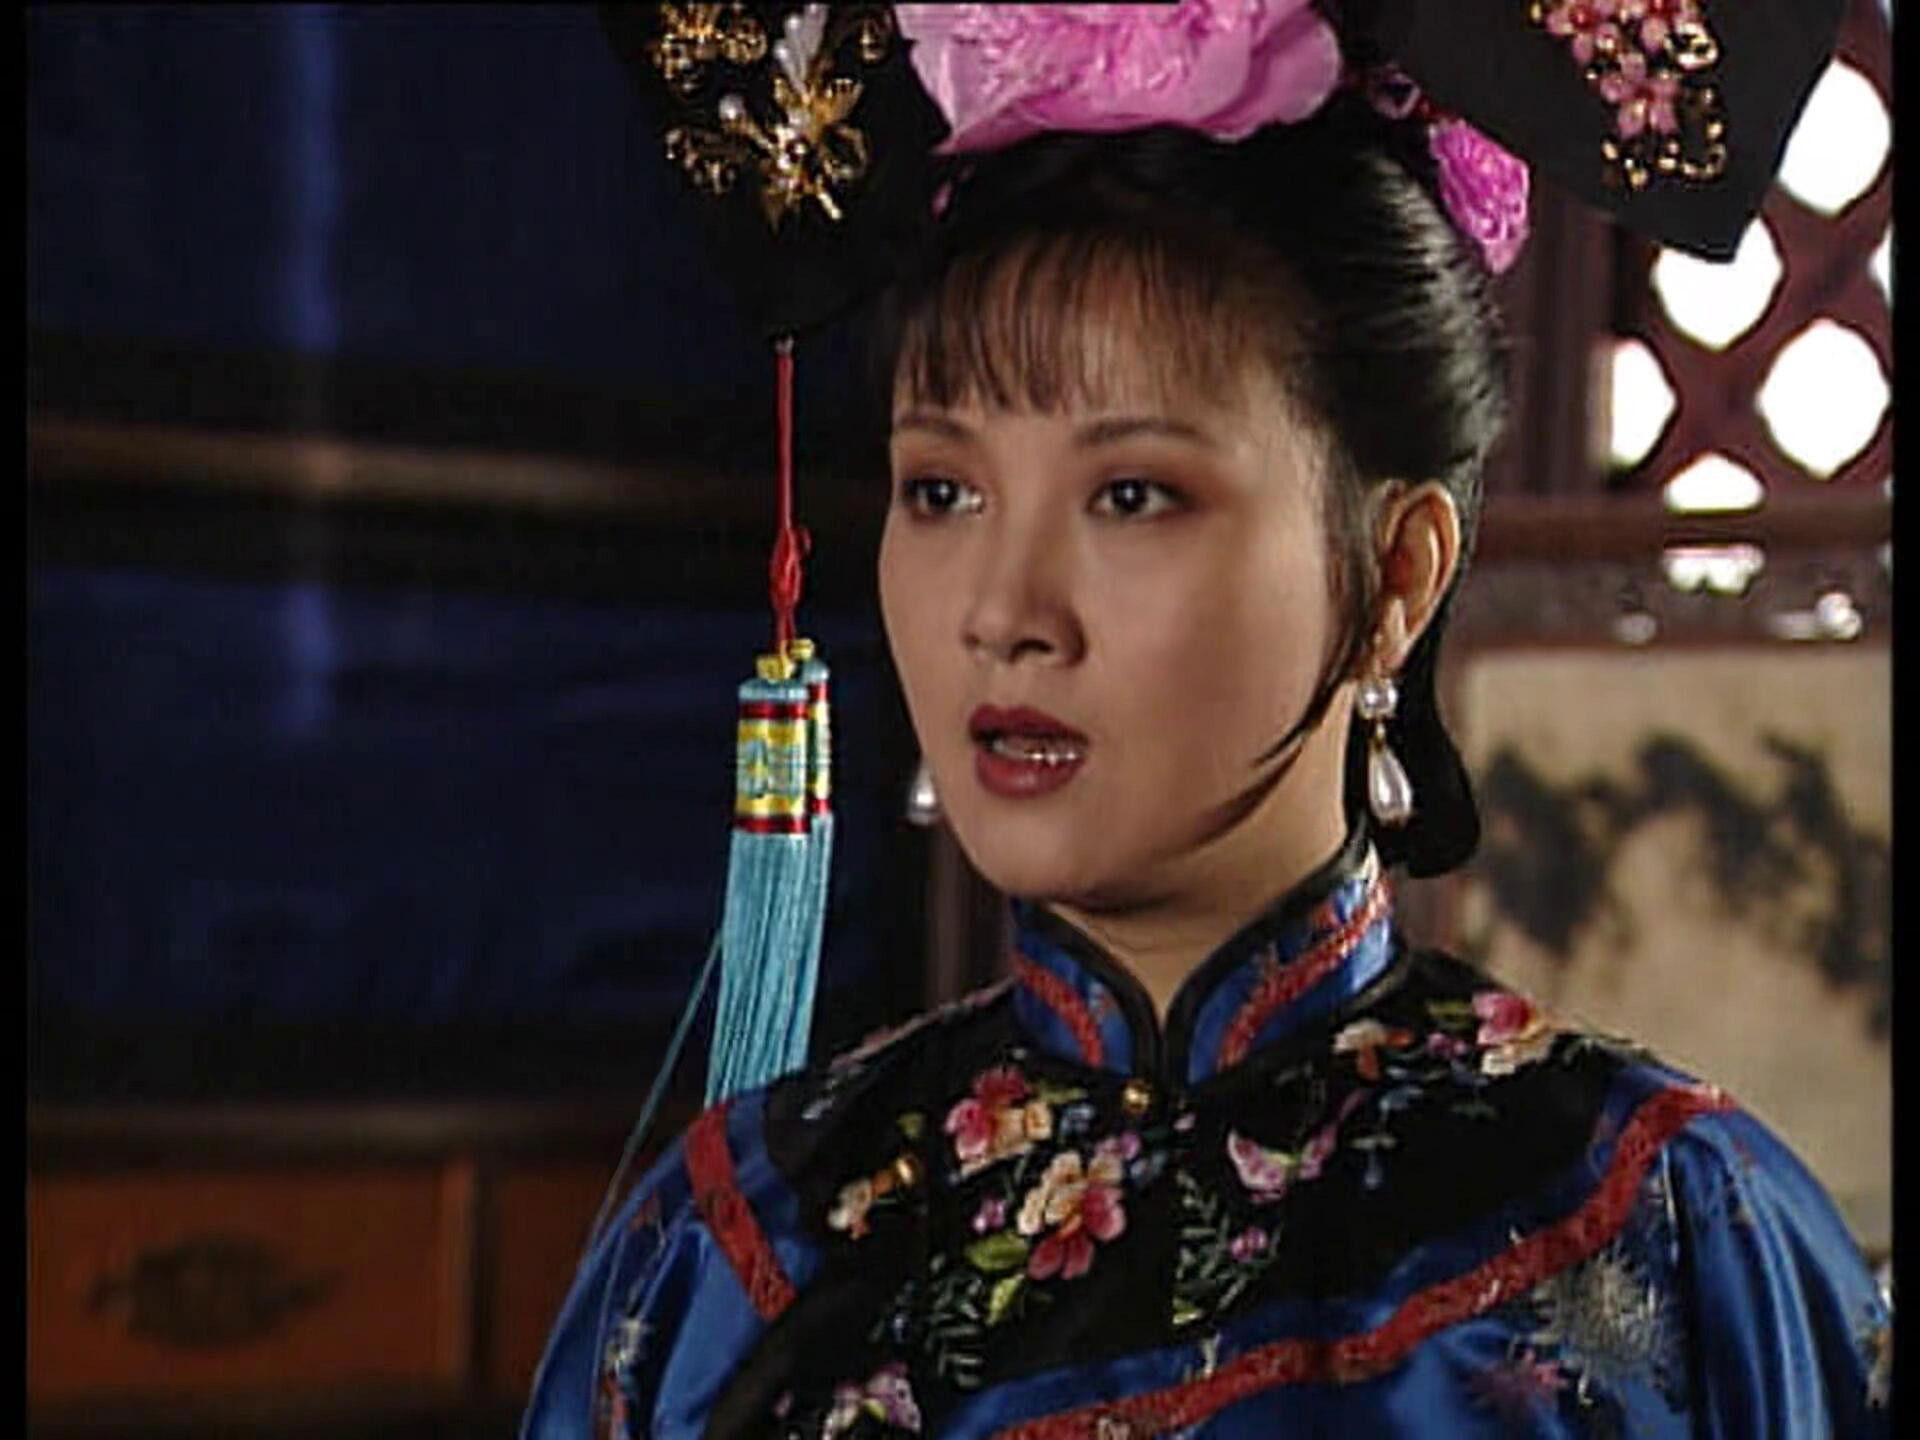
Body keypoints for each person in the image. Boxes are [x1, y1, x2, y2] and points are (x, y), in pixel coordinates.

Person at [526, 5, 1890, 1436]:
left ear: (1397, 575)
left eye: (1132, 496)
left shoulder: (1661, 1237)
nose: (1004, 609)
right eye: (943, 490)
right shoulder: (736, 1256)